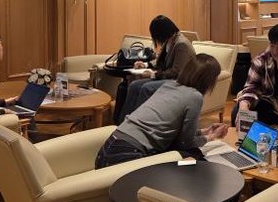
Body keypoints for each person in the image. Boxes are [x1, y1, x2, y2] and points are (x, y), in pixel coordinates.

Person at [96, 54, 229, 168]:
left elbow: (174, 133)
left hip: (108, 149)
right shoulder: (195, 96)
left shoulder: (169, 85)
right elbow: (186, 143)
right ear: (208, 80)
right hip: (127, 155)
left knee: (186, 154)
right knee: (194, 159)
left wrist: (204, 131)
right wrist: (212, 137)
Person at [114, 15, 196, 124]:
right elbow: (160, 60)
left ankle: (139, 122)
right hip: (168, 77)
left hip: (178, 81)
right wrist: (145, 64)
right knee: (134, 85)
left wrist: (153, 75)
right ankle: (123, 122)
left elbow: (177, 72)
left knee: (146, 88)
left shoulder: (181, 44)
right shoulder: (170, 40)